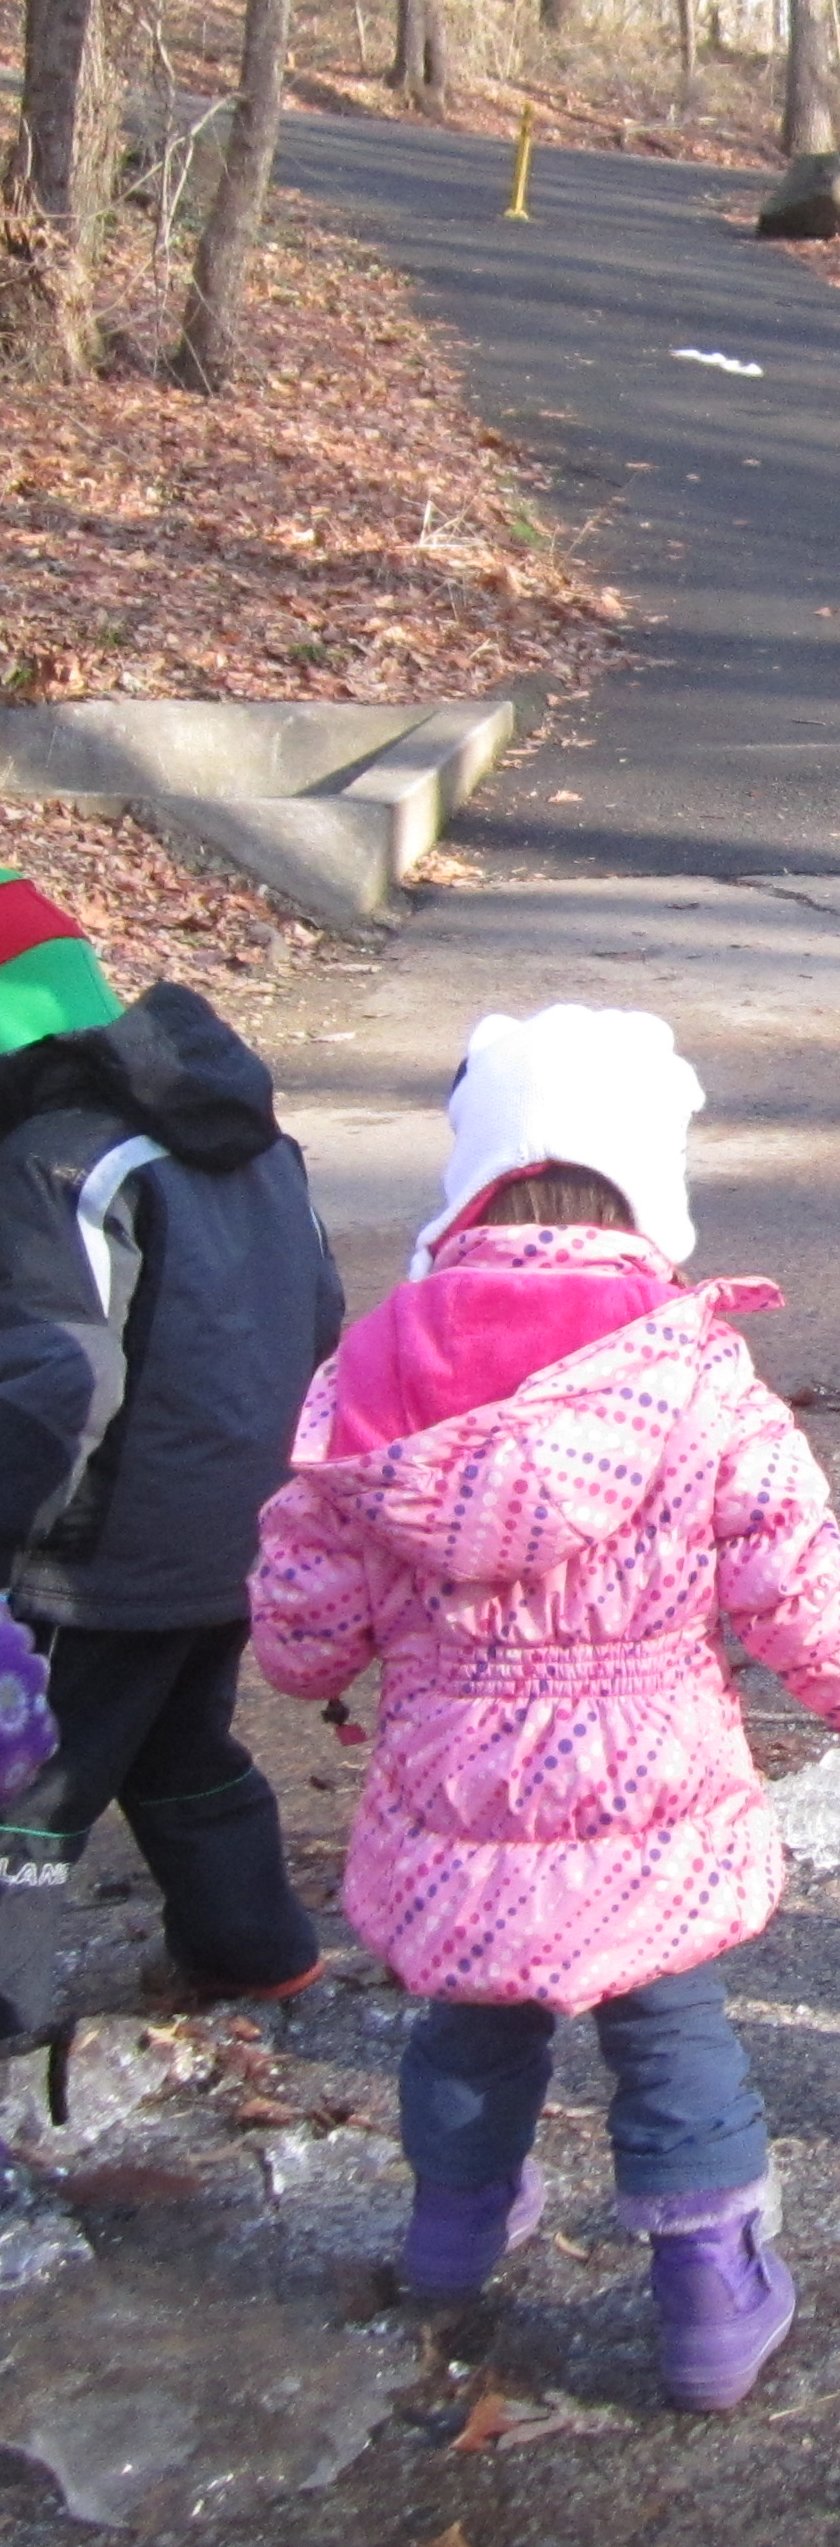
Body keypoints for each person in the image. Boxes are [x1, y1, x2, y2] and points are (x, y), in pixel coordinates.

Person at [251, 1006, 840, 2414]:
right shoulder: (693, 1376)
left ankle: (448, 2238)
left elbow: (302, 1630)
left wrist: (339, 1667)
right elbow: (797, 1579)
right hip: (649, 1798)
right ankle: (711, 2303)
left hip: (456, 1794)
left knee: (469, 2026)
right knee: (671, 2037)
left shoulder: (369, 1377)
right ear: (650, 1181)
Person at [0, 872, 340, 2044]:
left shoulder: (54, 1160)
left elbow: (61, 1376)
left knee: (27, 1790)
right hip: (235, 1524)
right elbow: (320, 1311)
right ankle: (258, 1949)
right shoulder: (248, 1137)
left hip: (97, 1553)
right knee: (180, 1744)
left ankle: (7, 2004)